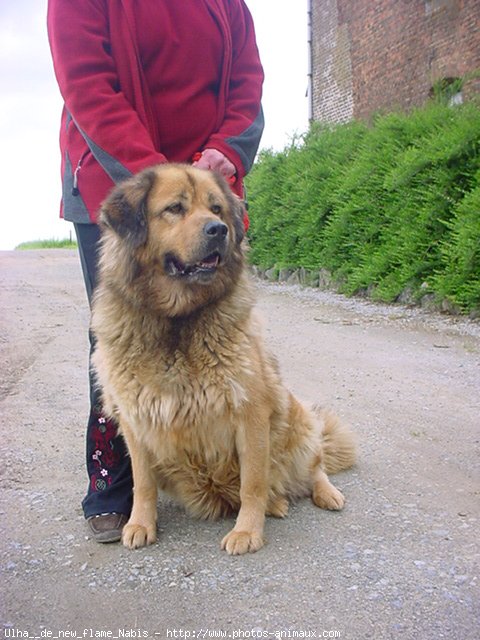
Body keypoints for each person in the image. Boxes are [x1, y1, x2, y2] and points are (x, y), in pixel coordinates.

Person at [47, 0, 264, 543]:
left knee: (216, 337)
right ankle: (113, 482)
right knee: (121, 339)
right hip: (116, 183)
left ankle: (208, 464)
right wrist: (161, 183)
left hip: (206, 190)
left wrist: (224, 154)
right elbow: (88, 85)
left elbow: (246, 84)